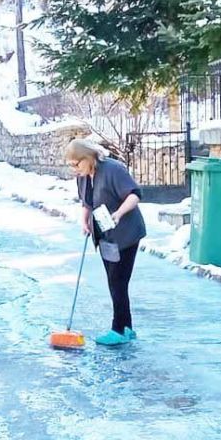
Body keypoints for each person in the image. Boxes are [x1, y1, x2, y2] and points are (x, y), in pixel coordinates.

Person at [66, 138, 146, 346]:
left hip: (126, 233)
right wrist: (84, 220)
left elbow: (134, 195)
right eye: (71, 165)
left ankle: (118, 329)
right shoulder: (83, 177)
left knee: (118, 281)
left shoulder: (113, 169)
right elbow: (87, 202)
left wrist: (118, 214)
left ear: (88, 157)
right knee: (115, 282)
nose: (75, 169)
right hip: (105, 237)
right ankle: (126, 327)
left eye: (77, 164)